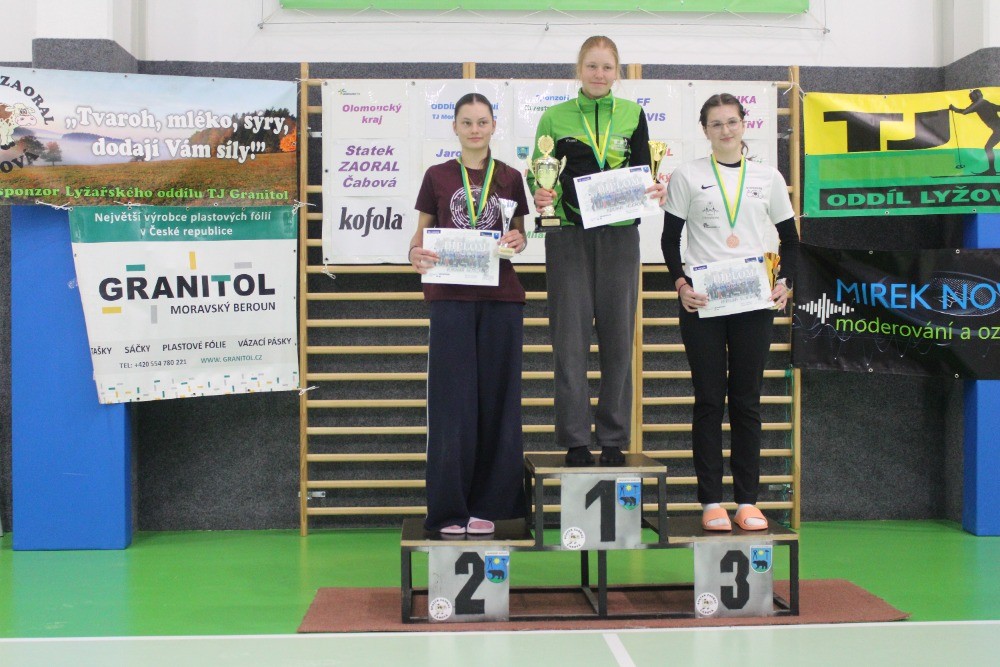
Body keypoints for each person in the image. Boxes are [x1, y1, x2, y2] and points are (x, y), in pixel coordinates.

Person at [660, 93, 799, 532]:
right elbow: (669, 240)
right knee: (708, 399)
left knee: (746, 400)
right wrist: (681, 285)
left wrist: (785, 282)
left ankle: (747, 501)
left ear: (744, 125)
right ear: (705, 130)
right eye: (716, 123)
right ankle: (710, 502)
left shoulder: (768, 177)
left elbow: (790, 240)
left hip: (753, 303)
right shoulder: (688, 175)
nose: (725, 130)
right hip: (703, 302)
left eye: (732, 122)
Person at [528, 35, 666, 468]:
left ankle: (612, 439)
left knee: (618, 340)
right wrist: (540, 193)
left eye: (607, 67)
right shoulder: (554, 117)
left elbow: (644, 171)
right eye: (592, 66)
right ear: (579, 69)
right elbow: (538, 173)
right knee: (569, 341)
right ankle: (574, 440)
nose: (599, 74)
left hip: (620, 237)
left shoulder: (632, 114)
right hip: (568, 235)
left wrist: (654, 189)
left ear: (617, 72)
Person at [408, 93, 529, 535]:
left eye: (482, 122)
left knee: (498, 404)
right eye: (467, 122)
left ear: (494, 125)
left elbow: (519, 235)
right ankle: (449, 510)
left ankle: (487, 507)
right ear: (455, 127)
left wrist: (518, 241)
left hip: (502, 300)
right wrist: (415, 254)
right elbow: (418, 238)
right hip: (450, 299)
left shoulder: (511, 177)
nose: (475, 129)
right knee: (452, 405)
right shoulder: (437, 176)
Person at [950, 89, 1000, 175]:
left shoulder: (978, 104)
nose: (971, 99)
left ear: (976, 96)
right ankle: (992, 170)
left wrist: (954, 108)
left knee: (988, 147)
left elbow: (965, 112)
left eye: (971, 97)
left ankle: (992, 170)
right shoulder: (985, 102)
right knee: (988, 147)